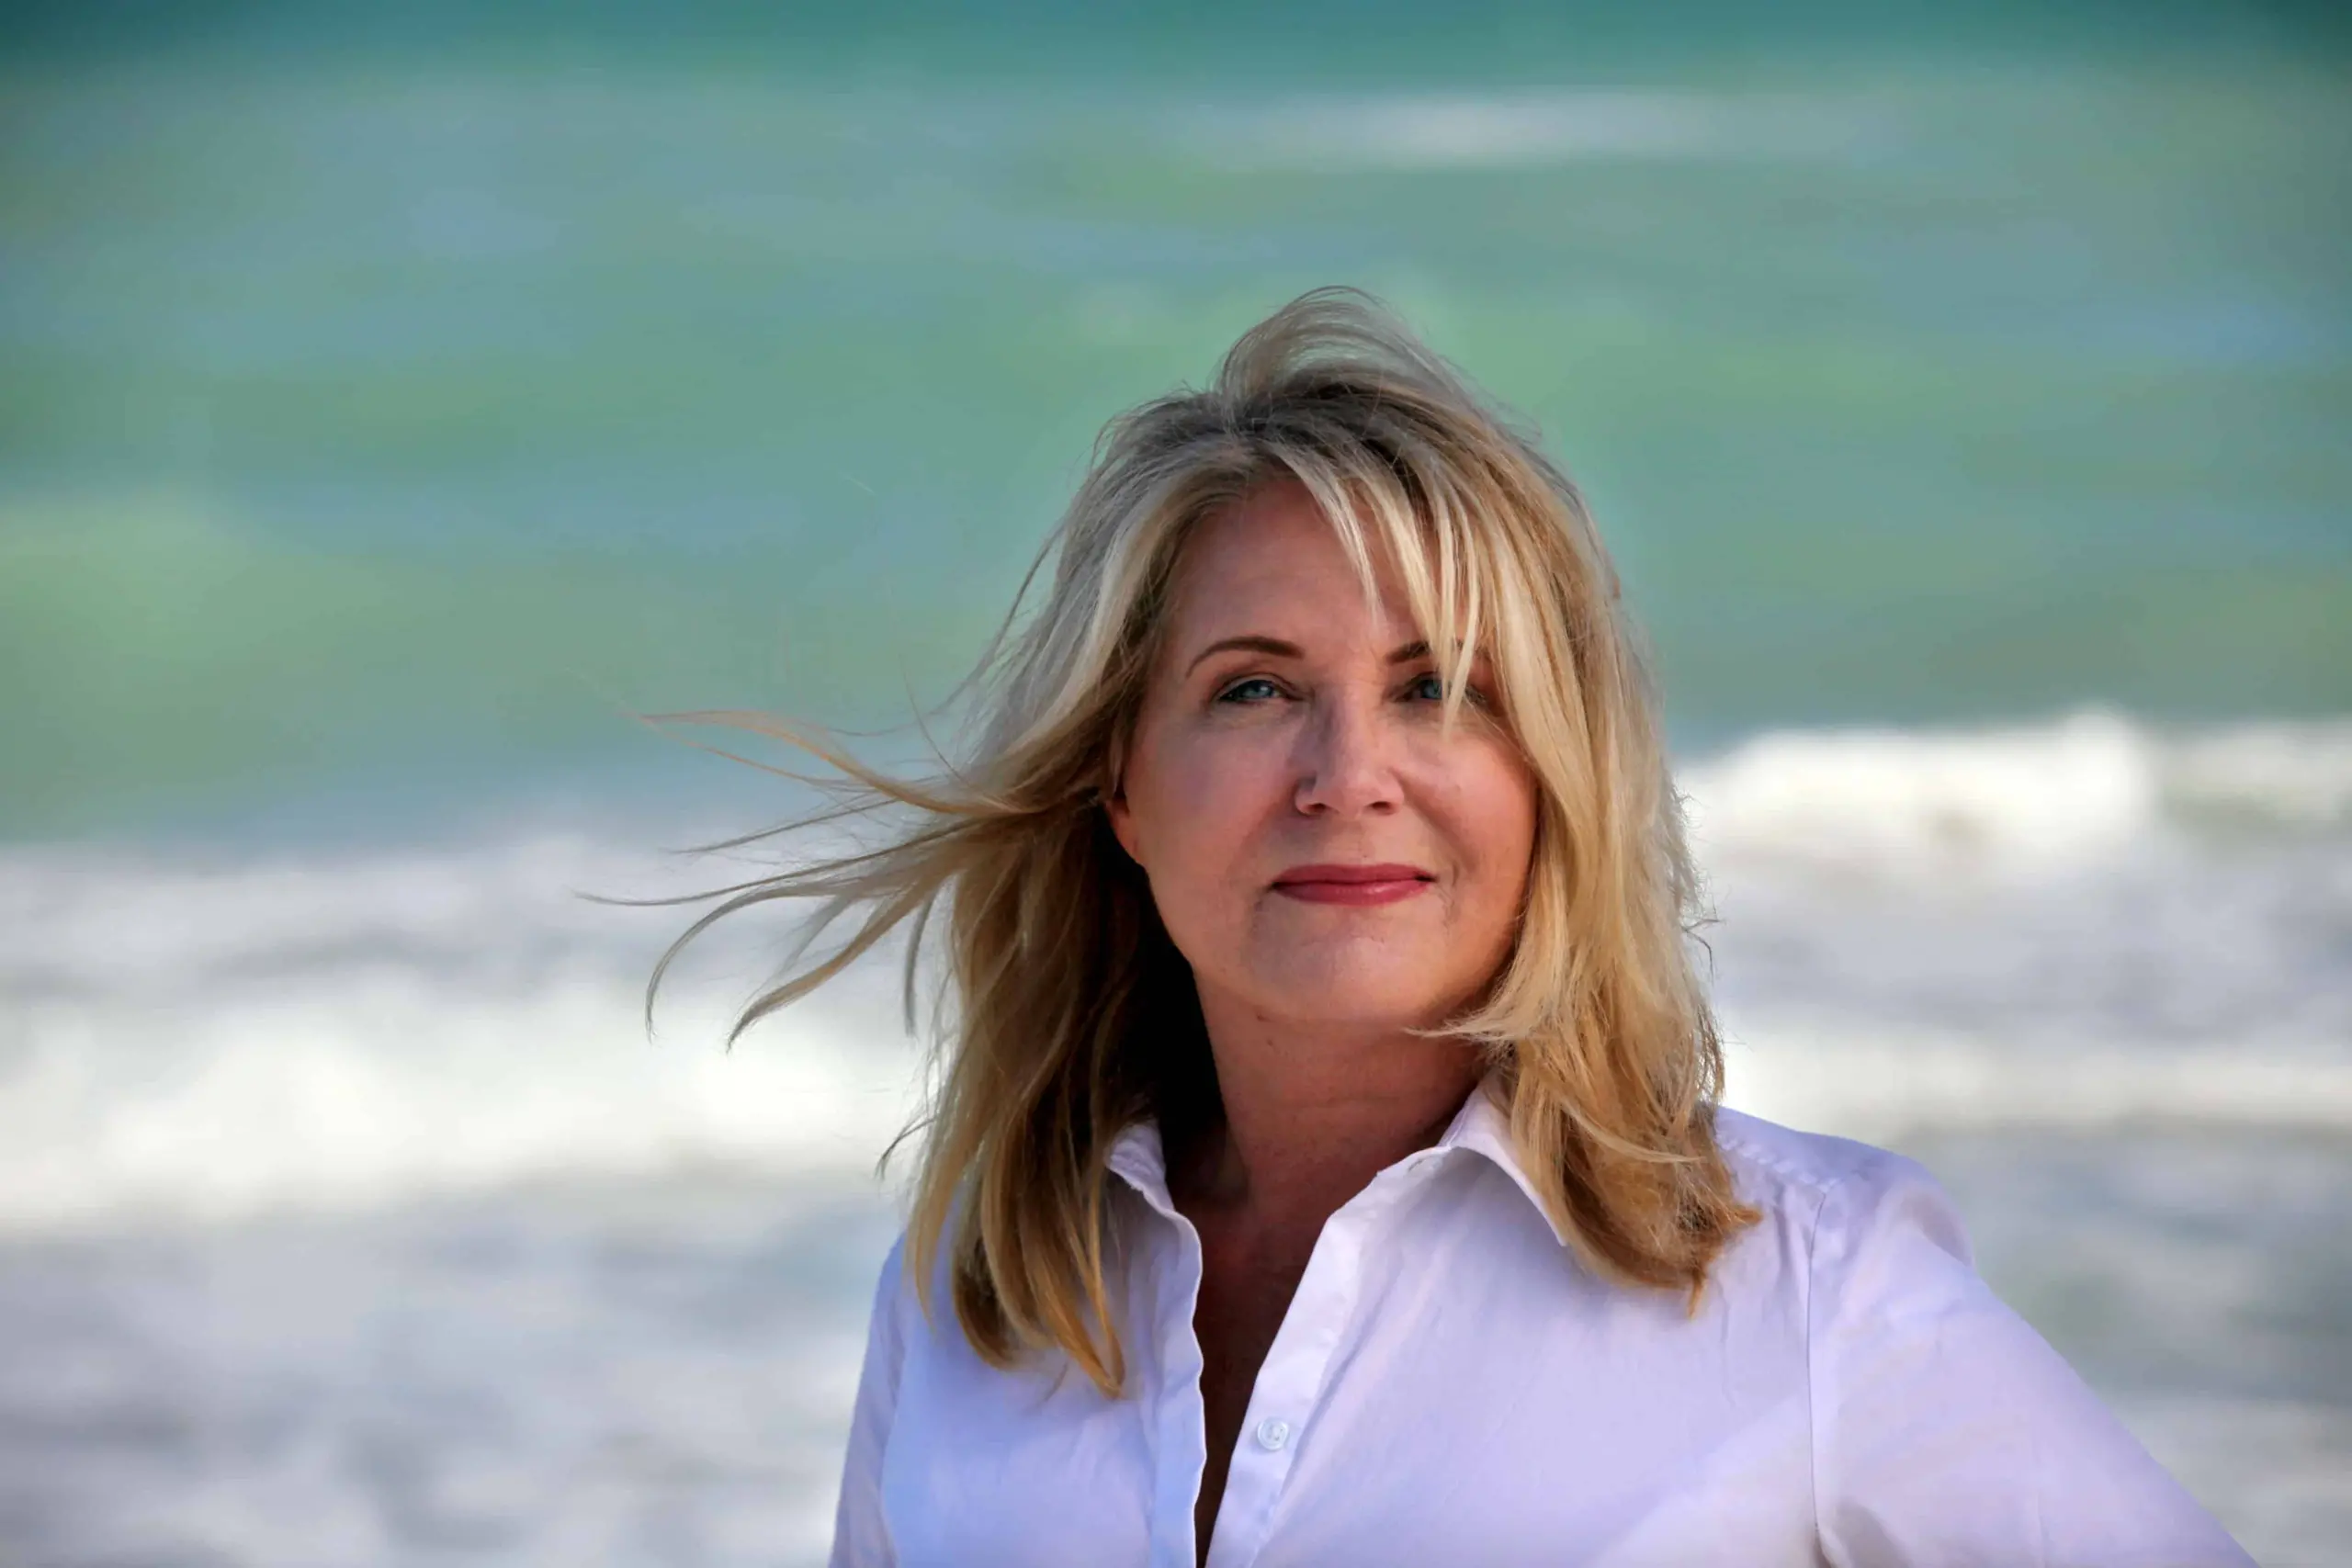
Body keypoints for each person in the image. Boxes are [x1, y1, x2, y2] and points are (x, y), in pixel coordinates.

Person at [652, 288, 2252, 1565]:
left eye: (1443, 690)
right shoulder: (968, 1293)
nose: (1349, 777)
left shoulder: (1810, 1290)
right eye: (1255, 687)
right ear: (1121, 787)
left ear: (1553, 778)